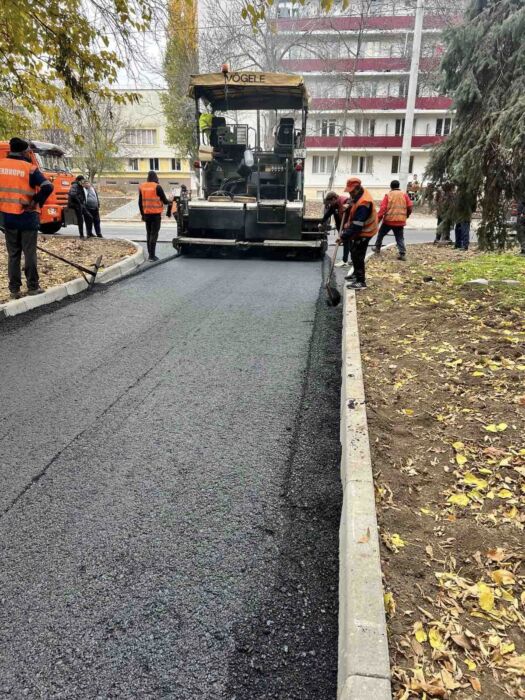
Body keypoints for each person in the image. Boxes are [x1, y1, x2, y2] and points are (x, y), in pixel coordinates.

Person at [0, 137, 54, 299]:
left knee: (13, 254)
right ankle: (32, 287)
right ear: (24, 152)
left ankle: (14, 290)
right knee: (29, 253)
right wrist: (36, 202)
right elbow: (48, 186)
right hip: (28, 217)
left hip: (8, 217)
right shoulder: (29, 168)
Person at [337, 177, 378, 290]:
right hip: (361, 228)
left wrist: (343, 237)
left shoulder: (364, 203)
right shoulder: (359, 193)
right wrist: (349, 205)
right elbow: (354, 201)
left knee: (357, 254)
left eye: (351, 191)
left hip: (366, 230)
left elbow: (356, 226)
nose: (350, 193)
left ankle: (361, 281)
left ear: (357, 188)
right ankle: (356, 274)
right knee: (354, 251)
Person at [374, 180, 413, 260]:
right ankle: (402, 254)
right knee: (399, 237)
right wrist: (407, 215)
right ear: (398, 186)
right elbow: (410, 206)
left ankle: (377, 248)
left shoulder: (388, 195)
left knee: (381, 234)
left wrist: (377, 220)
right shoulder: (404, 195)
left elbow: (382, 209)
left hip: (388, 221)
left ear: (391, 187)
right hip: (400, 221)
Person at [139, 171, 169, 261]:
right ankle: (152, 256)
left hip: (146, 214)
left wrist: (142, 214)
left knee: (148, 234)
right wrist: (171, 200)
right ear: (156, 177)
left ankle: (150, 255)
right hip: (155, 215)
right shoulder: (157, 187)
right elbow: (165, 201)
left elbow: (140, 202)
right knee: (154, 234)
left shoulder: (142, 187)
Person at [319, 190, 350, 267]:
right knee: (348, 242)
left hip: (348, 224)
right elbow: (328, 214)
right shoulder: (334, 205)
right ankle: (351, 260)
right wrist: (321, 223)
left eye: (330, 202)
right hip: (341, 226)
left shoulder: (343, 200)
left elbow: (350, 201)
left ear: (333, 199)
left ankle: (345, 261)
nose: (330, 204)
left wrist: (348, 204)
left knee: (346, 241)